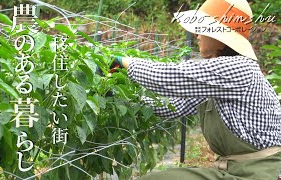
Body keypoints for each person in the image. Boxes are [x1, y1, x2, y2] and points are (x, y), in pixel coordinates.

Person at [111, 0, 281, 179]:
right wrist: (122, 99)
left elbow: (169, 77)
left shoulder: (239, 68)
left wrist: (123, 62)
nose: (196, 34)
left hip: (259, 172)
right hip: (235, 170)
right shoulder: (218, 80)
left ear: (221, 39)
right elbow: (172, 107)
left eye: (203, 28)